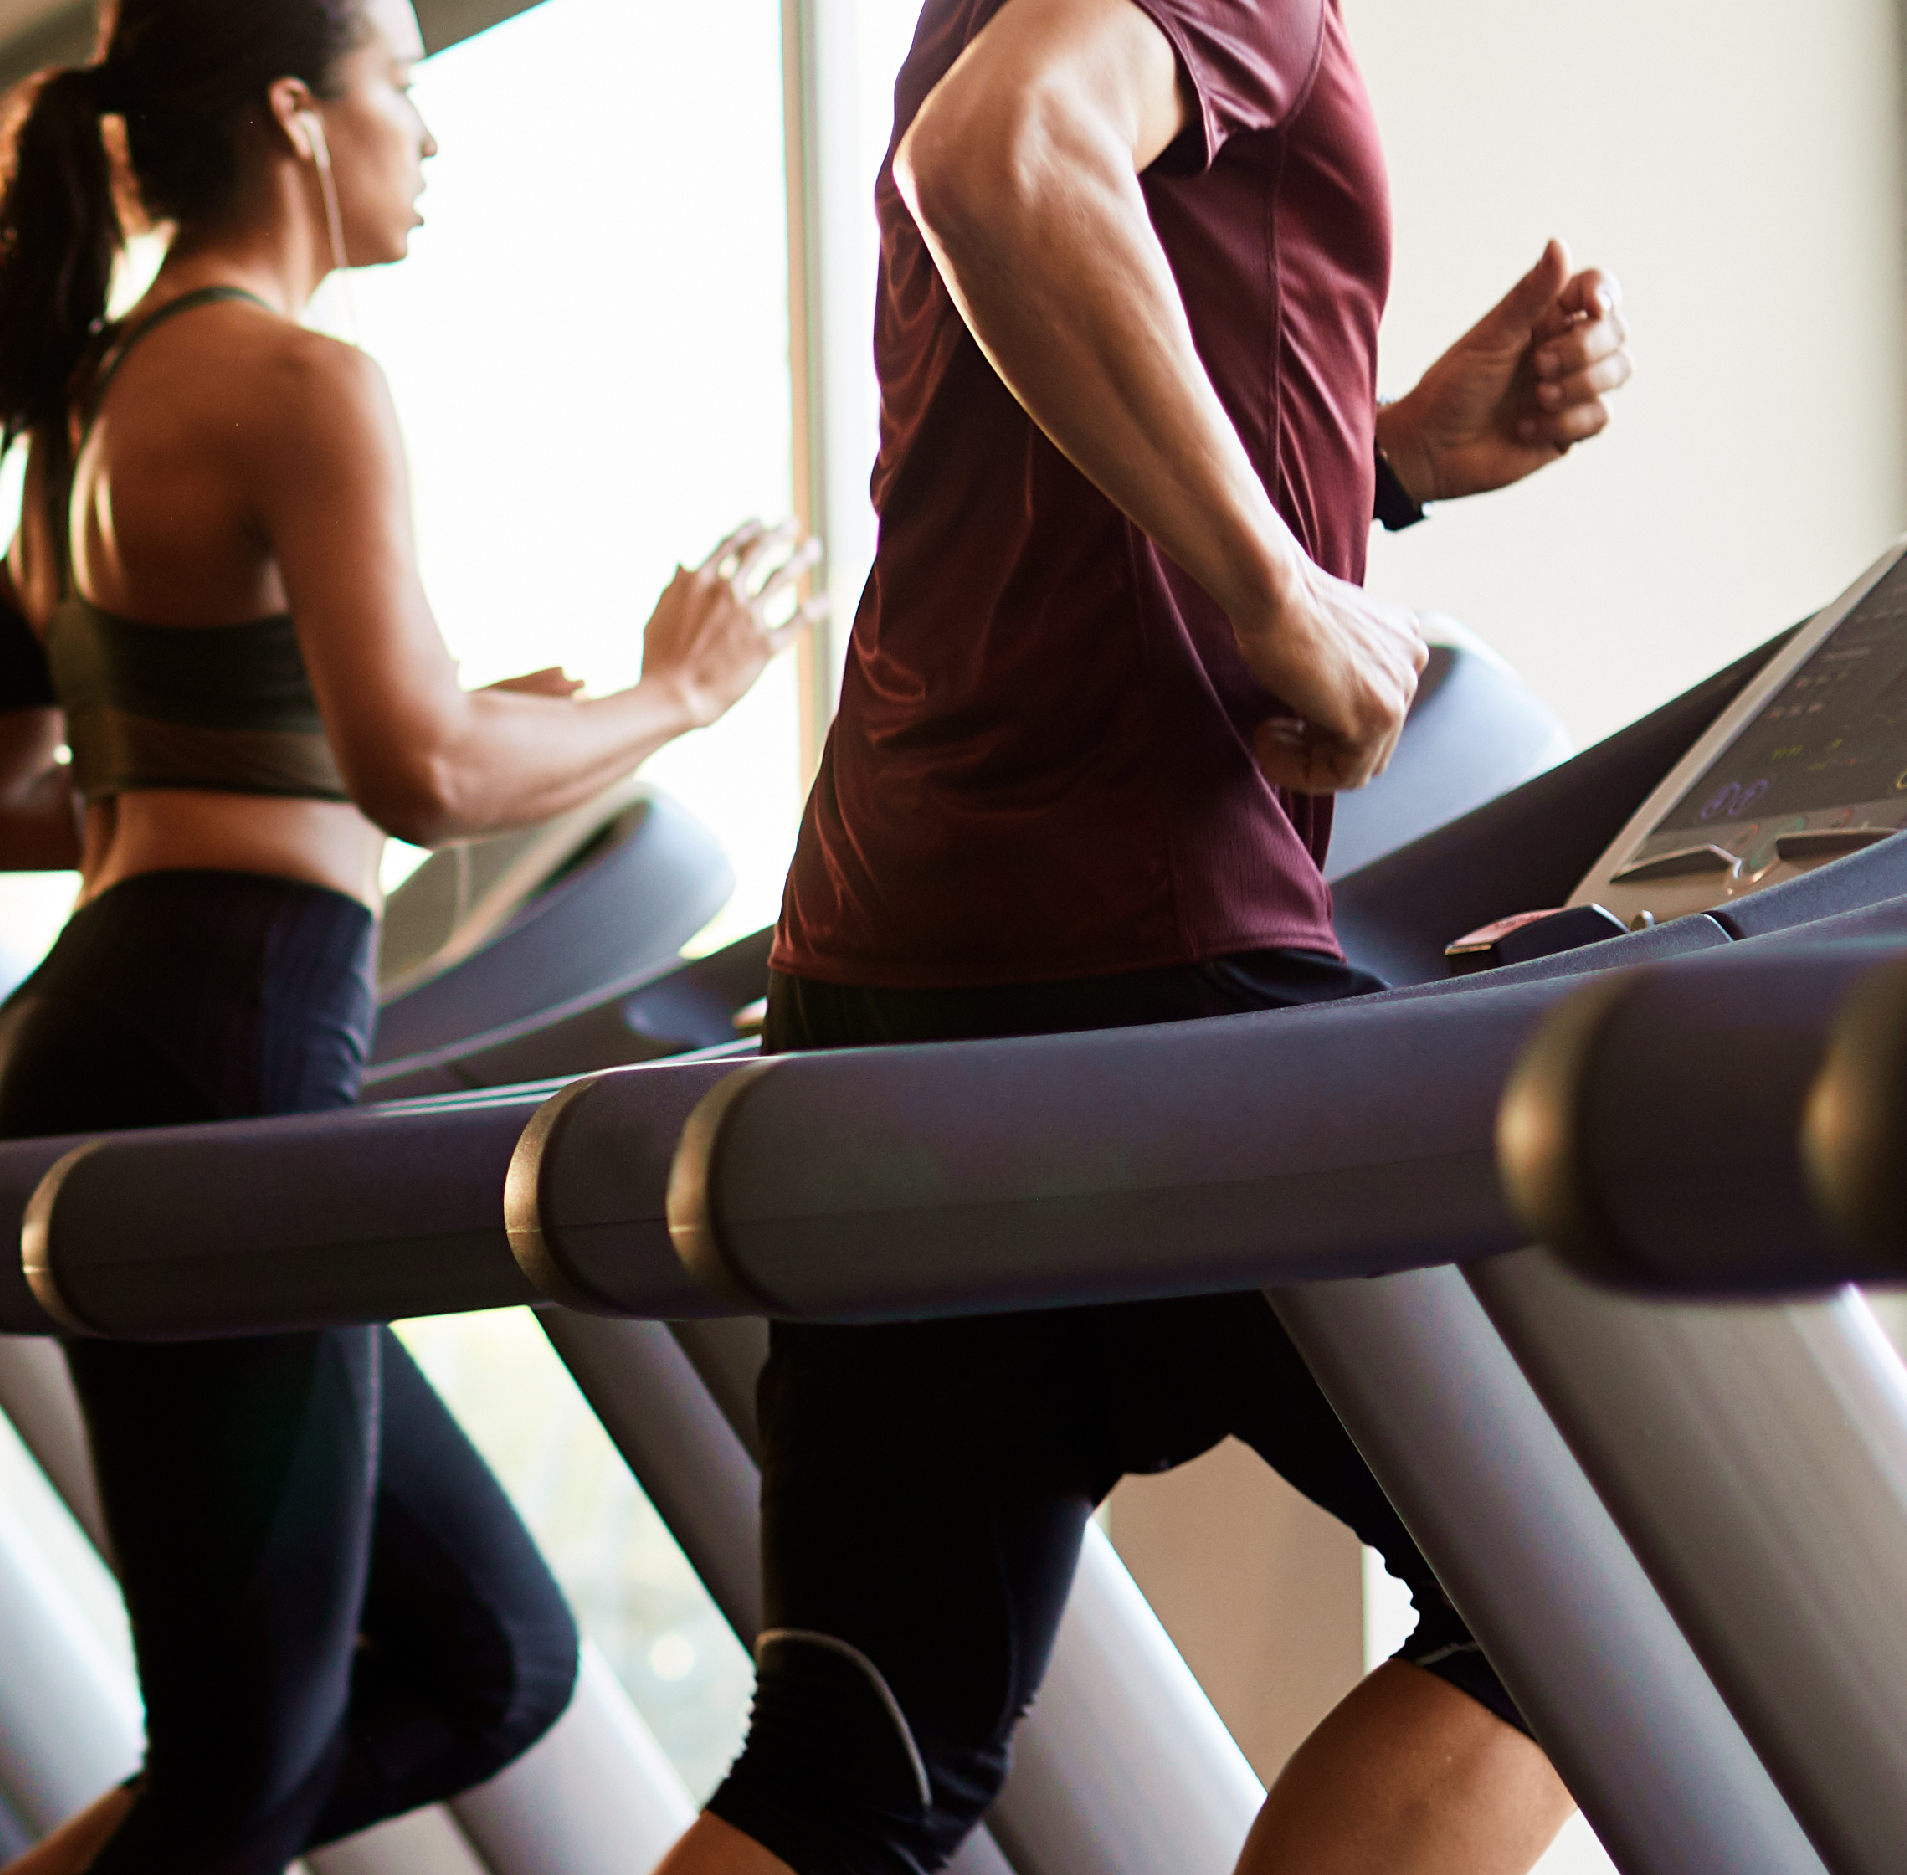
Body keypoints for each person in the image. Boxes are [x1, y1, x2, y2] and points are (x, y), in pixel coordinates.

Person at [659, 0, 1633, 1871]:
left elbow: (1030, 450)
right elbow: (995, 159)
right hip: (1138, 947)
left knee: (854, 1763)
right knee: (1608, 1580)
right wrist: (1281, 592)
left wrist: (1384, 463)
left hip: (898, 955)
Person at [0, 1, 812, 1867]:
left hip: (106, 1021)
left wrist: (307, 747)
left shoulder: (84, 404)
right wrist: (673, 695)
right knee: (244, 1754)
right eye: (401, 82)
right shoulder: (301, 383)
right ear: (298, 116)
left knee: (491, 1661)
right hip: (219, 1039)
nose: (430, 127)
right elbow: (431, 770)